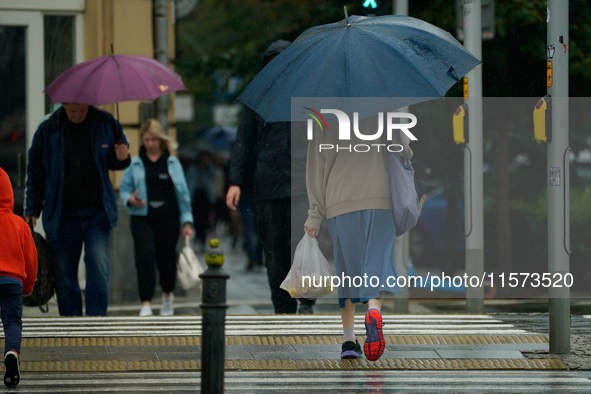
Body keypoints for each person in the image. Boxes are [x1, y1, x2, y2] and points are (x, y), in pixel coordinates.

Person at [304, 114, 412, 360]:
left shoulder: (324, 113)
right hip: (381, 195)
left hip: (340, 199)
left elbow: (315, 166)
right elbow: (403, 148)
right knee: (379, 260)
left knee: (347, 271)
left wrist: (314, 214)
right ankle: (373, 311)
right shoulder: (385, 107)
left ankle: (349, 340)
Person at [227, 39, 315, 314]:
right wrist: (235, 182)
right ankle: (283, 307)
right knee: (275, 250)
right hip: (268, 186)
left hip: (303, 185)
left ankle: (307, 300)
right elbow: (243, 141)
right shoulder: (257, 99)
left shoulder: (308, 95)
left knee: (304, 246)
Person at [25, 103, 130, 316]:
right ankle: (71, 320)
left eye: (81, 110)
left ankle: (96, 320)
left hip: (97, 213)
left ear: (88, 104)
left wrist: (122, 157)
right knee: (64, 274)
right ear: (63, 104)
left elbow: (115, 162)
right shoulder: (48, 129)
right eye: (72, 111)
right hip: (62, 215)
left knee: (98, 265)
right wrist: (32, 208)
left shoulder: (106, 123)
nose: (76, 115)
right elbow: (36, 172)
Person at [119, 119, 193, 316]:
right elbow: (124, 190)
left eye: (153, 139)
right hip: (142, 217)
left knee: (167, 258)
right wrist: (129, 199)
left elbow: (183, 194)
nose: (150, 143)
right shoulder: (135, 163)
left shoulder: (172, 162)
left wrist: (187, 221)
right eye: (146, 139)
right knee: (144, 256)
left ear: (161, 140)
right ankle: (146, 302)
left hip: (169, 218)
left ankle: (168, 296)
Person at [0, 168, 38, 387]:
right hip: (13, 281)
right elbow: (31, 259)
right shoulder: (18, 224)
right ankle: (12, 353)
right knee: (12, 322)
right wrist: (28, 285)